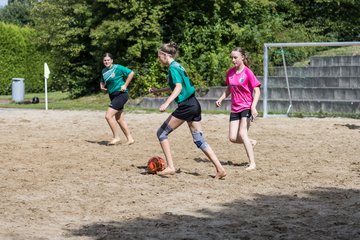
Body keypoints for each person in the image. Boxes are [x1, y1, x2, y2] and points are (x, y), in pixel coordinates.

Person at [149, 41, 226, 179]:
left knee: (161, 133)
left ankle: (171, 167)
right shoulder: (179, 66)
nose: (158, 59)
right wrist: (158, 90)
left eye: (159, 56)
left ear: (164, 55)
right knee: (198, 139)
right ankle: (220, 169)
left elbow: (178, 87)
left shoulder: (172, 68)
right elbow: (177, 86)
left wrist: (166, 103)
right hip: (194, 104)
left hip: (186, 106)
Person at [215, 47, 261, 170]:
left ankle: (252, 163)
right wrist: (221, 98)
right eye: (232, 57)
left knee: (242, 133)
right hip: (235, 108)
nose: (233, 60)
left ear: (242, 57)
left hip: (246, 107)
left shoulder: (248, 72)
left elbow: (257, 90)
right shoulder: (230, 72)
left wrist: (253, 107)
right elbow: (229, 88)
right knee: (232, 138)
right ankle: (251, 142)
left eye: (235, 57)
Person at [100, 53, 135, 145]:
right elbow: (103, 80)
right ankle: (130, 139)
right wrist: (101, 85)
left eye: (108, 60)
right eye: (105, 60)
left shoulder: (118, 68)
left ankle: (116, 137)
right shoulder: (104, 71)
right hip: (112, 95)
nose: (106, 62)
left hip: (121, 94)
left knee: (108, 116)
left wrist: (125, 85)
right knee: (119, 119)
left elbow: (131, 73)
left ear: (112, 60)